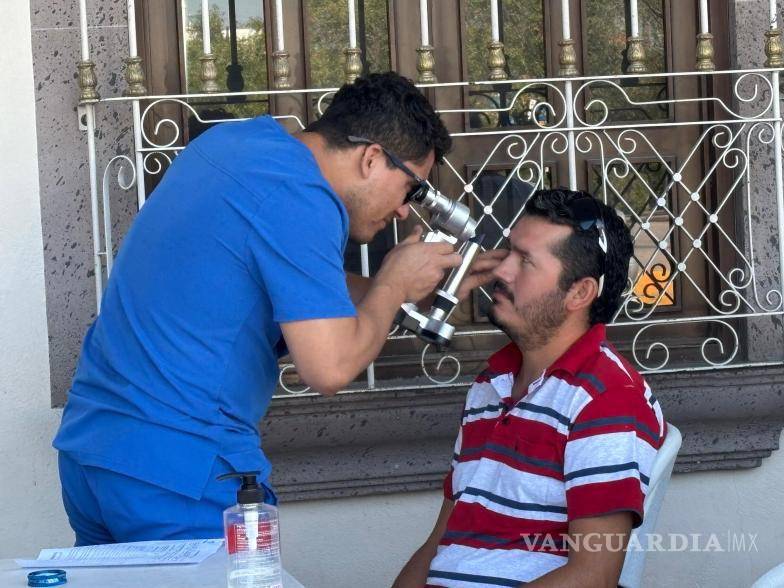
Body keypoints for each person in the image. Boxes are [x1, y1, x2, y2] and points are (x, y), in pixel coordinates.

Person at [53, 72, 505, 545]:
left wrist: (403, 290)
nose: (404, 212)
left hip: (95, 452)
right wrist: (391, 285)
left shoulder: (233, 144)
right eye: (412, 189)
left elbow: (294, 283)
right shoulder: (303, 197)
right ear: (372, 158)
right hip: (179, 468)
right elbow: (328, 369)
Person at [394, 189, 667, 588]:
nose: (502, 271)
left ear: (579, 293)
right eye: (508, 252)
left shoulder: (606, 397)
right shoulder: (491, 385)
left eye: (525, 261)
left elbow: (594, 575)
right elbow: (442, 540)